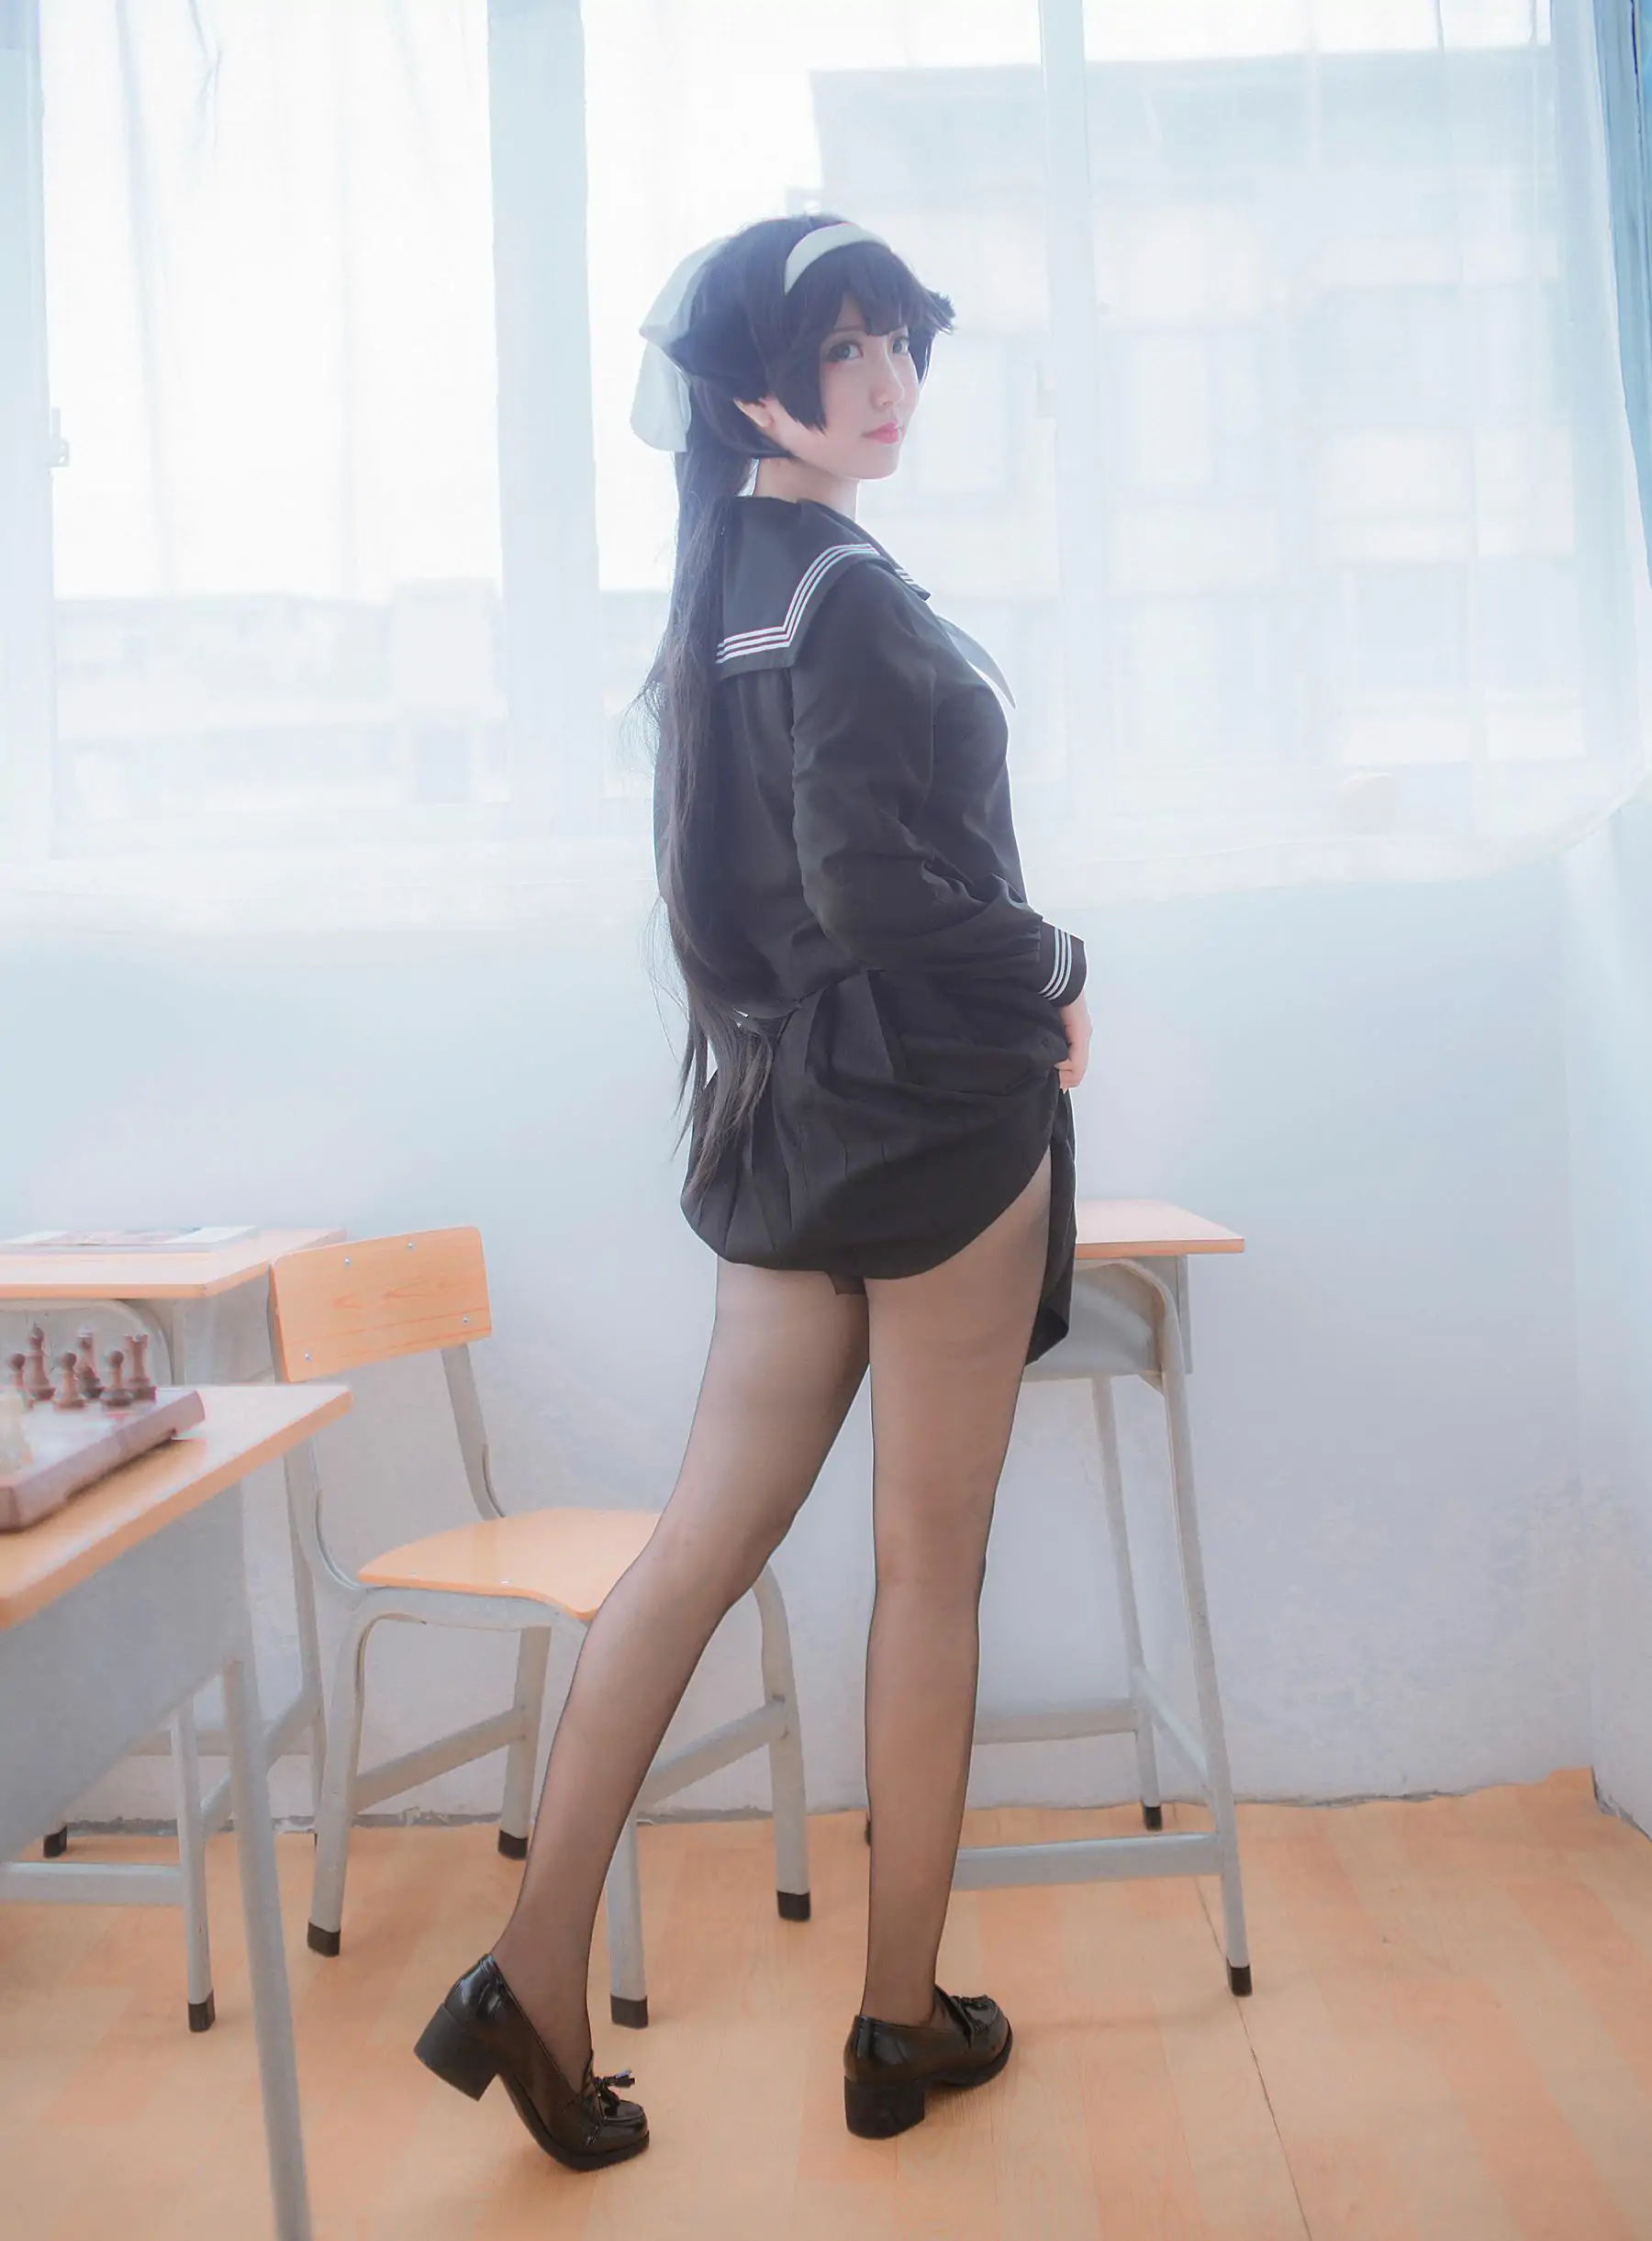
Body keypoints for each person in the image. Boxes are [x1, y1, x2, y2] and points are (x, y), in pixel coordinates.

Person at [413, 213, 1091, 2171]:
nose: (887, 381)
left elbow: (761, 902)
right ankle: (897, 2020)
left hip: (790, 1127)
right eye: (842, 350)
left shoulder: (727, 583)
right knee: (926, 1566)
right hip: (937, 1124)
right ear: (749, 391)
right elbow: (877, 888)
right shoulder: (850, 592)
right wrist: (1051, 965)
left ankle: (532, 1968)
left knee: (695, 1549)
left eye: (899, 343)